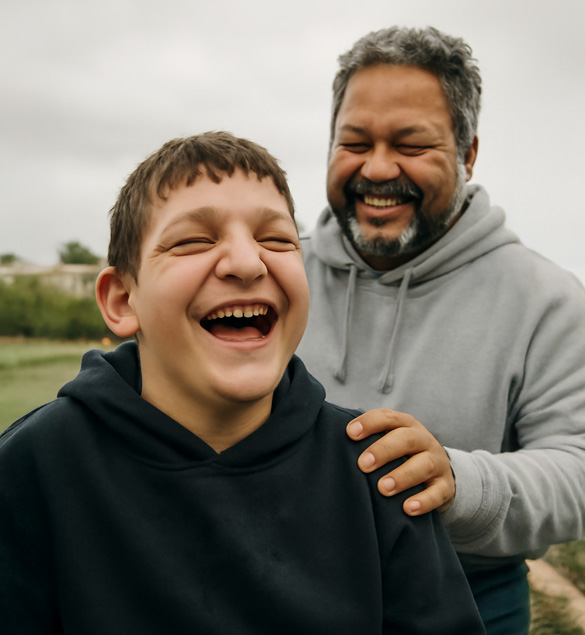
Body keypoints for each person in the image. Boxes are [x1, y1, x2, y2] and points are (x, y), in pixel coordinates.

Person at [0, 132, 485, 634]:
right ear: (123, 300)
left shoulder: (376, 471)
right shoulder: (30, 469)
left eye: (276, 240)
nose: (247, 262)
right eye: (193, 241)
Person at [295, 25, 585, 634]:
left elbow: (577, 472)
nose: (377, 168)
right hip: (281, 587)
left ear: (468, 153)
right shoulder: (274, 277)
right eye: (354, 142)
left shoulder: (547, 299)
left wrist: (459, 480)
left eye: (411, 144)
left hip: (470, 599)